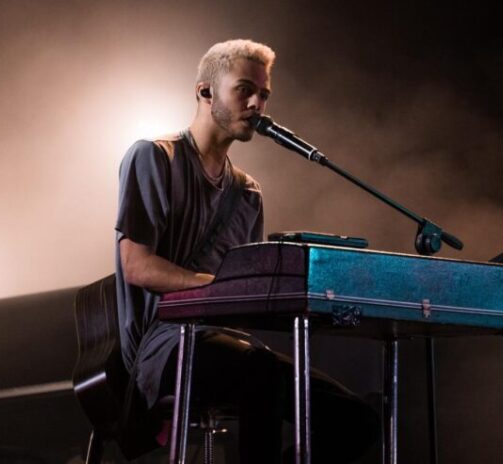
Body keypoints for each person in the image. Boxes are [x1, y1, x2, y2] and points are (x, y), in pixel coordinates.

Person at [115, 39, 378, 463]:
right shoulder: (154, 158)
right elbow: (137, 266)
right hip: (163, 347)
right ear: (205, 92)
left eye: (264, 94)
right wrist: (220, 287)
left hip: (233, 346)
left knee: (358, 419)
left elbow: (245, 296)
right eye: (244, 90)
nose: (258, 103)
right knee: (259, 372)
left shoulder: (248, 193)